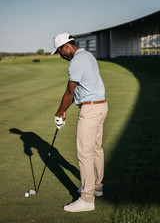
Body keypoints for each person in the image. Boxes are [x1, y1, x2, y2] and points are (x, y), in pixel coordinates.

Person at [51, 33, 108, 212]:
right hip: (101, 106)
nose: (61, 56)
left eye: (60, 52)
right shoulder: (88, 55)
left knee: (84, 153)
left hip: (90, 110)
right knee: (96, 149)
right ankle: (97, 187)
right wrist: (68, 109)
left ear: (66, 46)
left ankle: (86, 199)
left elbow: (69, 92)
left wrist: (59, 113)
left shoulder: (75, 62)